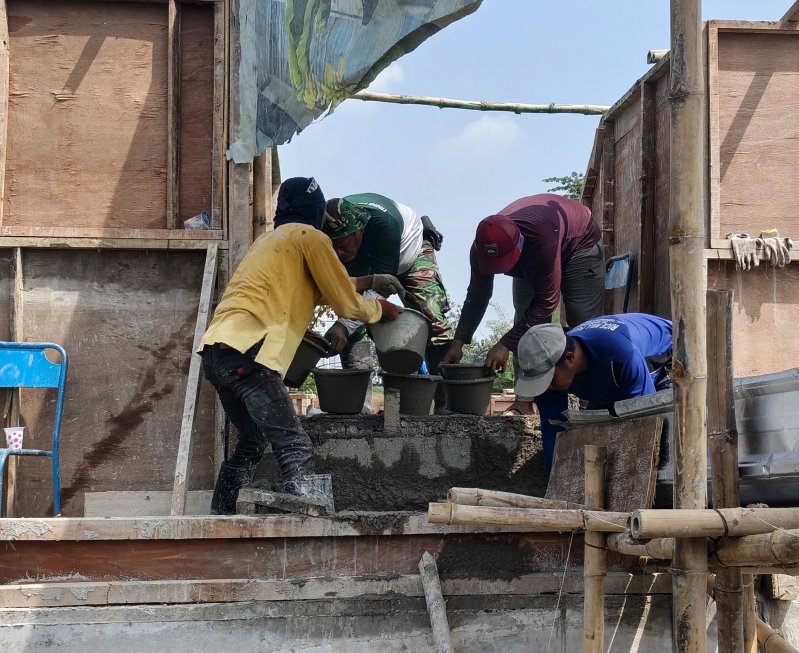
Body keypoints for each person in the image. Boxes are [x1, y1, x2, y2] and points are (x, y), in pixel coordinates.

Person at [198, 177, 402, 515]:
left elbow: (319, 282)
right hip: (252, 353)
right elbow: (347, 306)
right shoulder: (312, 238)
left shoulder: (269, 242)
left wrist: (367, 281)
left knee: (252, 439)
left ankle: (221, 514)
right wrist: (381, 308)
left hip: (218, 353)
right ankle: (311, 527)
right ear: (318, 213)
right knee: (294, 445)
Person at [442, 194, 605, 415]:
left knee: (581, 320)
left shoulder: (542, 239)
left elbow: (547, 303)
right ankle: (525, 401)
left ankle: (592, 399)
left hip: (578, 243)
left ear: (518, 246)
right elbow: (477, 295)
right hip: (533, 253)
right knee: (525, 321)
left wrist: (505, 344)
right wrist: (459, 341)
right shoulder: (482, 246)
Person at [320, 193, 452, 407]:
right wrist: (345, 324)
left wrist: (343, 325)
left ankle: (446, 403)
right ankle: (358, 404)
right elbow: (346, 294)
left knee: (432, 319)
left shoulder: (384, 226)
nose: (339, 253)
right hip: (370, 264)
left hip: (411, 251)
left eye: (343, 245)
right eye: (333, 247)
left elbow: (383, 288)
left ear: (359, 231)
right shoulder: (331, 241)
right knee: (354, 322)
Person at [514, 314, 672, 471]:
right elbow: (553, 433)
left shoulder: (620, 354)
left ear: (570, 359)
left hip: (670, 363)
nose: (545, 387)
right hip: (611, 381)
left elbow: (648, 421)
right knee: (592, 443)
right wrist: (554, 483)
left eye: (547, 379)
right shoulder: (549, 369)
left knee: (663, 451)